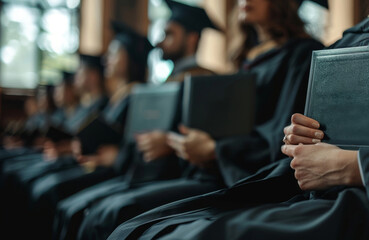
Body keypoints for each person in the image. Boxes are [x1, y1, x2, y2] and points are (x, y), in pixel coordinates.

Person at [107, 0, 369, 239]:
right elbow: (295, 139)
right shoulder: (352, 39)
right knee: (139, 226)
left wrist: (356, 166)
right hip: (313, 194)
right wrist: (298, 139)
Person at [63, 0, 324, 239]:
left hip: (249, 179)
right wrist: (191, 144)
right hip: (215, 170)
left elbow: (279, 136)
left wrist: (214, 150)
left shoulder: (301, 55)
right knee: (96, 211)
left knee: (118, 216)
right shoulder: (247, 59)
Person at [53, 2, 218, 239]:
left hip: (176, 176)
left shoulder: (205, 82)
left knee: (104, 214)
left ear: (192, 38)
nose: (160, 42)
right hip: (141, 172)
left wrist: (166, 144)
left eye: (169, 34)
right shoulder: (163, 85)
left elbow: (201, 145)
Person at [1, 22, 153, 239]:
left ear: (129, 58)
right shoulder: (119, 98)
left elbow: (126, 146)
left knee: (55, 195)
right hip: (99, 164)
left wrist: (115, 155)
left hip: (116, 170)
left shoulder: (138, 97)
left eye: (113, 53)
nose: (106, 59)